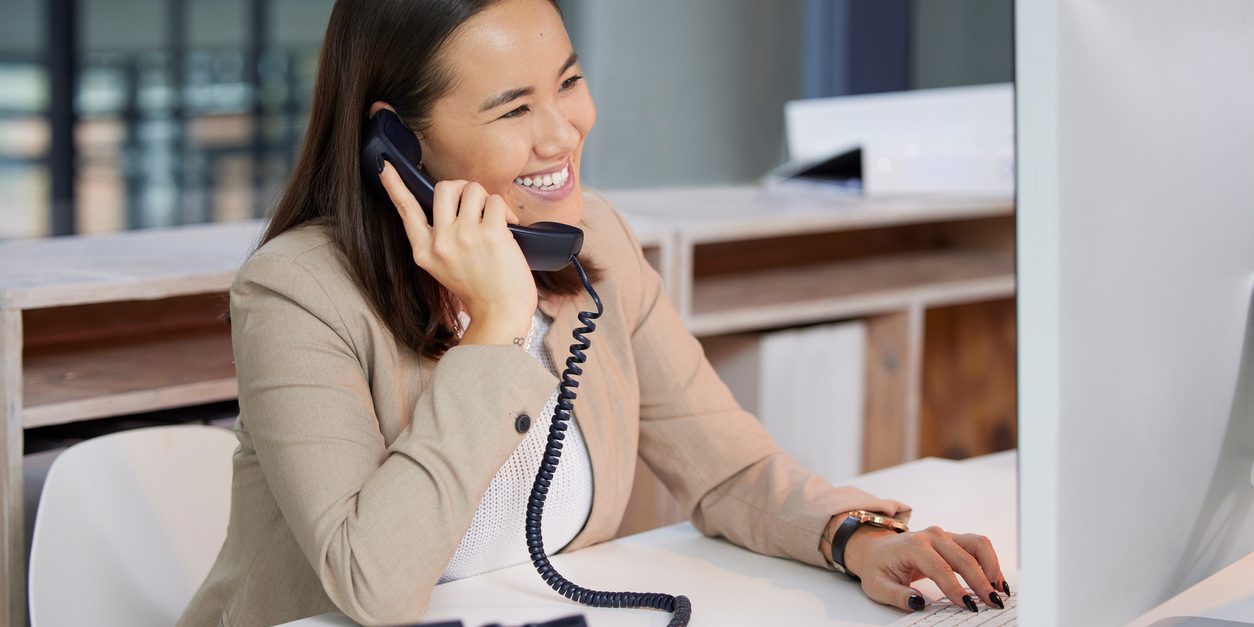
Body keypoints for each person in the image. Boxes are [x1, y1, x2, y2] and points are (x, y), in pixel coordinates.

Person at [177, 1, 1008, 625]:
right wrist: (498, 330)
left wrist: (856, 539)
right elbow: (373, 584)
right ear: (397, 141)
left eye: (569, 83)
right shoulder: (296, 293)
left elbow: (727, 468)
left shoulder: (592, 237)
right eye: (513, 109)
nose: (564, 131)